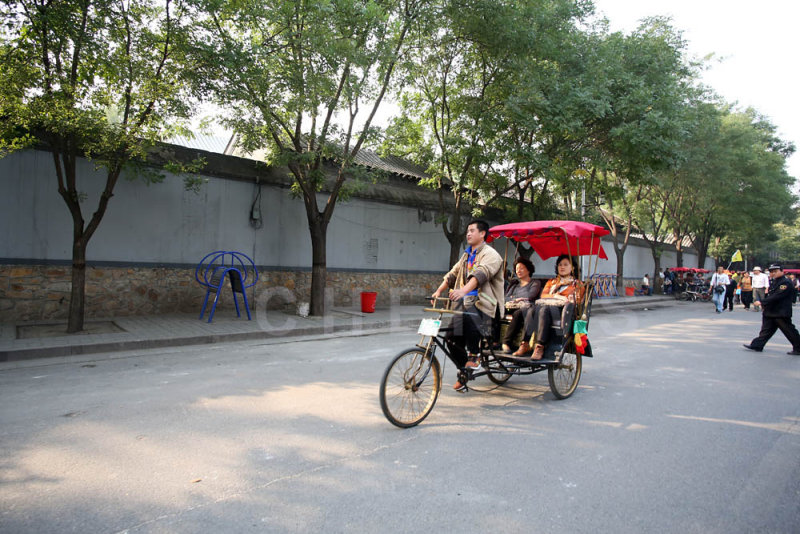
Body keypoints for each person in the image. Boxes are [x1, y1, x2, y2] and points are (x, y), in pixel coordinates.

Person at [431, 219, 504, 390]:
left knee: (470, 313)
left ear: (483, 233)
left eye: (472, 230)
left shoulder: (491, 255)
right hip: (466, 304)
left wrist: (463, 291)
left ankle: (475, 355)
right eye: (467, 231)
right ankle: (464, 371)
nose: (468, 234)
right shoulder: (467, 254)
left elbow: (481, 274)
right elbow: (453, 274)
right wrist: (439, 291)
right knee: (450, 339)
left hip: (487, 304)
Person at [513, 254, 584, 360]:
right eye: (560, 265)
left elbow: (577, 300)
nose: (562, 267)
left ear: (572, 267)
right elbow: (543, 295)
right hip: (547, 307)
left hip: (563, 312)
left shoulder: (577, 284)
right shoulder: (552, 282)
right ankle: (525, 343)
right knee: (531, 309)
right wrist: (557, 296)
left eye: (565, 265)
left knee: (543, 310)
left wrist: (569, 299)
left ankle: (539, 347)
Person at [743, 263, 800, 355]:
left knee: (789, 331)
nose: (773, 273)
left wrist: (762, 302)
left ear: (782, 271)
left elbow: (777, 296)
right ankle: (757, 345)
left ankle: (798, 348)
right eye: (771, 272)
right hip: (770, 311)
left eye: (775, 271)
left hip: (780, 312)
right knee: (765, 330)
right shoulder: (774, 281)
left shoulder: (785, 282)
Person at [501, 257, 542, 353]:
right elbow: (506, 297)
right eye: (517, 269)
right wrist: (514, 299)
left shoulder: (535, 283)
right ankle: (492, 341)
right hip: (510, 307)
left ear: (528, 270)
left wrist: (515, 298)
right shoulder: (514, 284)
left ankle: (506, 342)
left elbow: (530, 295)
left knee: (518, 313)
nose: (518, 271)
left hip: (526, 309)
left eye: (521, 268)